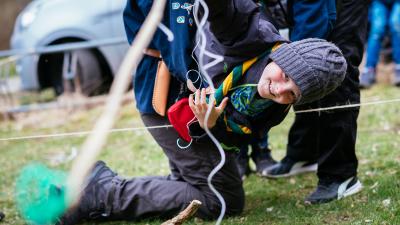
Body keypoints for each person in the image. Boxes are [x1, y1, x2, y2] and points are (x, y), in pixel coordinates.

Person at [57, 0, 347, 224]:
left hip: (198, 122)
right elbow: (225, 9)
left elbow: (242, 137)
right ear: (281, 55)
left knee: (210, 191)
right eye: (286, 75)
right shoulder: (249, 32)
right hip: (166, 104)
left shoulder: (276, 104)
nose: (280, 90)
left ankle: (104, 188)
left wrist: (213, 123)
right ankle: (101, 194)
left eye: (293, 94)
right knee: (221, 200)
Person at [263, 0, 369, 204]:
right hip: (306, 8)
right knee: (301, 74)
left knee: (336, 69)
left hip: (341, 5)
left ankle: (340, 175)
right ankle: (303, 153)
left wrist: (296, 54)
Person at [360, 0, 400, 88]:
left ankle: (398, 67)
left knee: (396, 25)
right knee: (377, 30)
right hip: (379, 2)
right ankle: (368, 70)